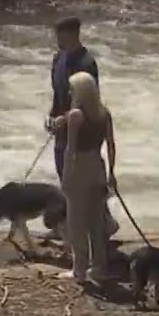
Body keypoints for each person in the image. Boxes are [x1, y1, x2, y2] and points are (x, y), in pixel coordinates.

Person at [46, 16, 119, 238]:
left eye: (60, 35)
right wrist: (51, 117)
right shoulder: (58, 58)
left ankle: (102, 225)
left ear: (72, 34)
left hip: (81, 130)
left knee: (83, 185)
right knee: (64, 178)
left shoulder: (87, 63)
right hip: (61, 129)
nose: (57, 39)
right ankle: (68, 227)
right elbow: (57, 95)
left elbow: (88, 100)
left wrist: (67, 119)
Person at [57, 71, 117, 284]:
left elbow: (70, 150)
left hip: (79, 167)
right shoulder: (103, 113)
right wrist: (112, 173)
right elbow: (110, 145)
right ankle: (99, 267)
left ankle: (79, 269)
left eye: (72, 89)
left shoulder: (76, 116)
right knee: (96, 219)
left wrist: (66, 175)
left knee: (76, 221)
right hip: (97, 166)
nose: (69, 91)